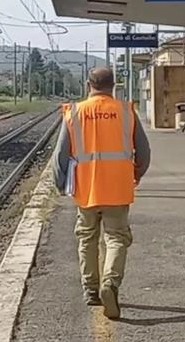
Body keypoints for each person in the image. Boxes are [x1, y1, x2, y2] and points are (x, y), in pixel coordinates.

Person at [51, 66, 151, 320]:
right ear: (113, 85)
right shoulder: (126, 112)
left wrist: (60, 183)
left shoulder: (74, 112)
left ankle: (91, 290)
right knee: (117, 238)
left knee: (87, 238)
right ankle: (111, 283)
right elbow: (144, 151)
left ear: (88, 84)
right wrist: (136, 174)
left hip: (86, 189)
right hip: (118, 187)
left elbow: (61, 155)